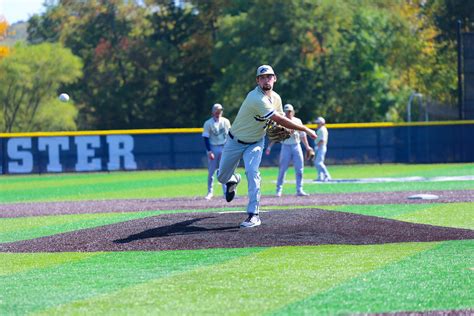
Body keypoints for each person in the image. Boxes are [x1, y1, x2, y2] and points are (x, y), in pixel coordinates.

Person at [217, 65, 317, 228]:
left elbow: (280, 117)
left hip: (256, 142)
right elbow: (278, 119)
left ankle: (253, 215)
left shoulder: (276, 98)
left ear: (275, 78)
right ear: (257, 81)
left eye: (269, 76)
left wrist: (288, 128)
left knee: (252, 172)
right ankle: (233, 180)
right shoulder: (255, 97)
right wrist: (304, 128)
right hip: (234, 141)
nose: (266, 80)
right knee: (221, 177)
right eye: (262, 77)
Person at [265, 104, 312, 197]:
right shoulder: (281, 120)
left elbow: (303, 135)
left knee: (300, 169)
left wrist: (307, 147)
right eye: (286, 111)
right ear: (284, 112)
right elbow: (276, 136)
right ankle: (279, 190)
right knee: (282, 169)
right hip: (285, 146)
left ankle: (299, 189)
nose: (288, 113)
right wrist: (269, 147)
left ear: (293, 112)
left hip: (296, 145)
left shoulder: (297, 121)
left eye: (290, 111)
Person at [202, 103, 231, 200]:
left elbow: (229, 136)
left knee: (224, 170)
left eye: (220, 110)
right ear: (213, 112)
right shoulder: (208, 123)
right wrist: (209, 151)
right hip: (213, 147)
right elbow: (206, 138)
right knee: (211, 171)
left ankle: (225, 191)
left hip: (224, 147)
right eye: (217, 110)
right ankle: (210, 192)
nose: (219, 112)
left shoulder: (226, 121)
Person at [314, 116, 332, 182]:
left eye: (318, 123)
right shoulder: (321, 129)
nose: (317, 124)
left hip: (321, 147)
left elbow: (322, 140)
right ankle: (320, 176)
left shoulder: (322, 129)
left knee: (319, 163)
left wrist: (317, 147)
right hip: (320, 147)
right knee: (317, 163)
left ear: (322, 123)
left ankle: (327, 175)